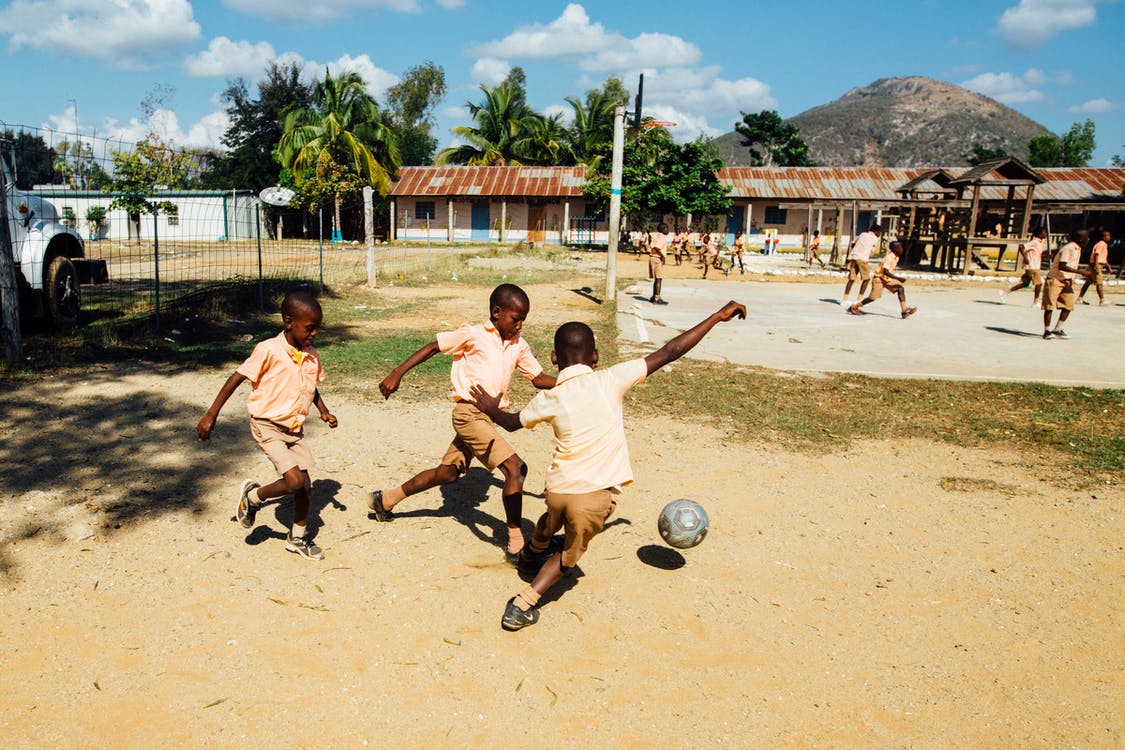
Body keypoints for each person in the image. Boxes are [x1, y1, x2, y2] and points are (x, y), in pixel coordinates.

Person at [470, 301, 748, 631]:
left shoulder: (551, 397)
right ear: (596, 357)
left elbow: (514, 423)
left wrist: (489, 406)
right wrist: (715, 316)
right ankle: (523, 604)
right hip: (591, 498)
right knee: (570, 556)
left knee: (551, 519)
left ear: (555, 359)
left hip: (557, 490)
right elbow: (671, 350)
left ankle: (534, 551)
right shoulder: (611, 378)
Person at [369, 284, 556, 561]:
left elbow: (538, 378)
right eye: (516, 318)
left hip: (487, 418)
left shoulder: (519, 345)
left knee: (447, 474)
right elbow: (434, 346)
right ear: (496, 312)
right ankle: (516, 541)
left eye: (523, 320)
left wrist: (577, 379)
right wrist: (398, 372)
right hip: (468, 414)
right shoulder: (474, 334)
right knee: (515, 469)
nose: (520, 325)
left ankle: (385, 499)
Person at [196, 290, 338, 560]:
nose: (314, 334)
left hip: (294, 429)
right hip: (267, 425)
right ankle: (253, 497)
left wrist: (324, 411)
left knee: (305, 485)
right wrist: (211, 414)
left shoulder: (310, 355)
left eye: (317, 328)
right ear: (288, 322)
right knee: (294, 480)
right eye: (309, 328)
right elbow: (237, 377)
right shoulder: (268, 350)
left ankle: (297, 537)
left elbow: (311, 387)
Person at [847, 241, 917, 319]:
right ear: (895, 249)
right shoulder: (889, 257)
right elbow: (885, 271)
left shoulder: (896, 257)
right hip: (879, 279)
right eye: (900, 247)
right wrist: (898, 278)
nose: (902, 249)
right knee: (872, 298)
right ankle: (854, 307)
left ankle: (904, 310)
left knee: (900, 288)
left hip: (887, 279)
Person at [1042, 229, 1090, 339]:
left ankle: (1058, 328)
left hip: (1067, 281)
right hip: (1055, 280)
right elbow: (1062, 266)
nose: (1088, 239)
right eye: (1087, 237)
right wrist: (1081, 272)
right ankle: (1047, 330)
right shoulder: (1069, 248)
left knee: (1068, 305)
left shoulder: (1077, 248)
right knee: (1049, 306)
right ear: (1080, 239)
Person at [999, 227, 1047, 307]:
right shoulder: (1035, 242)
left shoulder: (1040, 243)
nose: (1046, 233)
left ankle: (1005, 292)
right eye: (1044, 232)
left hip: (1033, 266)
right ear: (1039, 234)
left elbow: (1036, 253)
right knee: (1039, 284)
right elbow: (1021, 246)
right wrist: (1025, 257)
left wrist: (1046, 256)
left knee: (1025, 283)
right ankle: (1035, 302)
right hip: (1032, 266)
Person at [842, 223, 882, 305]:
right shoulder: (874, 238)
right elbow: (872, 251)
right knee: (866, 279)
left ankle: (844, 300)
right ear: (875, 231)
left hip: (853, 257)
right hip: (862, 259)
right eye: (879, 232)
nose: (879, 234)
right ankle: (858, 300)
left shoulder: (862, 234)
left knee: (852, 279)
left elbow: (853, 243)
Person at [1078, 230, 1112, 305]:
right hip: (1096, 265)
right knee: (1099, 283)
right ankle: (1102, 300)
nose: (1109, 237)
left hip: (1096, 264)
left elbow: (1102, 257)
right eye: (1108, 236)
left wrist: (1108, 266)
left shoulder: (1103, 244)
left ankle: (1080, 298)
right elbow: (1097, 254)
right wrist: (1096, 265)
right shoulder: (1101, 244)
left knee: (1088, 282)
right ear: (1104, 237)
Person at [648, 222, 670, 304]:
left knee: (656, 278)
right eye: (667, 228)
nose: (668, 230)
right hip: (657, 258)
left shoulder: (656, 236)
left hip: (652, 257)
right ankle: (657, 297)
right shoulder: (662, 237)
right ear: (663, 229)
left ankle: (654, 296)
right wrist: (663, 256)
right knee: (659, 278)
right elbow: (657, 247)